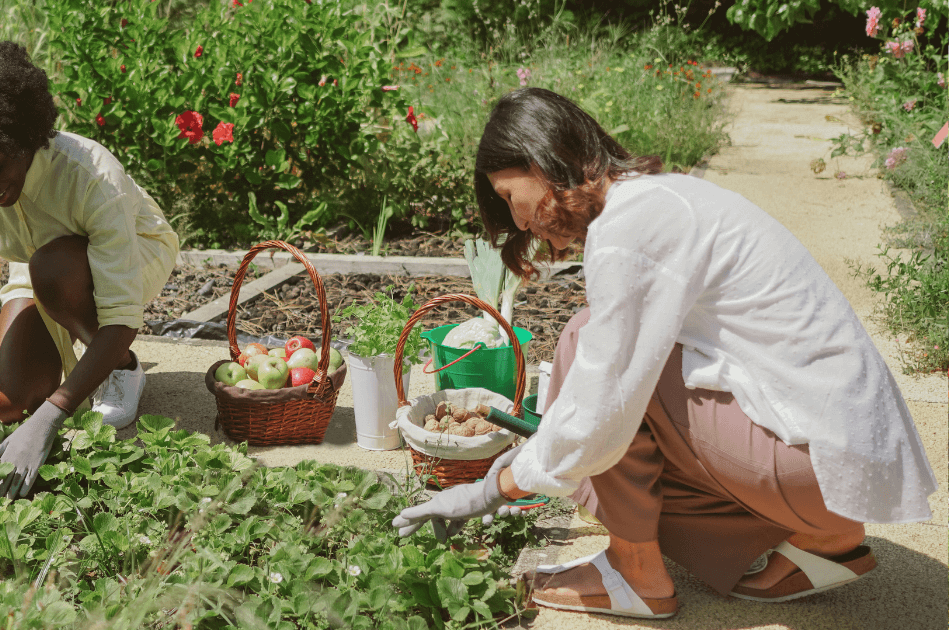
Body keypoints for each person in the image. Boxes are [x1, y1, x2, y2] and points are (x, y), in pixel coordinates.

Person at [391, 87, 937, 619]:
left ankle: (636, 575)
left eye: (512, 196)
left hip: (818, 465)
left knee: (590, 352)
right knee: (600, 364)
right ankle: (826, 538)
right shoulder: (659, 197)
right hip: (842, 457)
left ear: (542, 159)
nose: (517, 222)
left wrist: (489, 490)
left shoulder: (631, 225)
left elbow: (604, 403)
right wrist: (544, 452)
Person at [0, 41, 179, 499]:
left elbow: (121, 315)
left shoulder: (92, 176)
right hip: (39, 264)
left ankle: (122, 369)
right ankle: (75, 350)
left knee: (55, 270)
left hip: (132, 253)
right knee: (9, 401)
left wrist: (54, 415)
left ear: (21, 136)